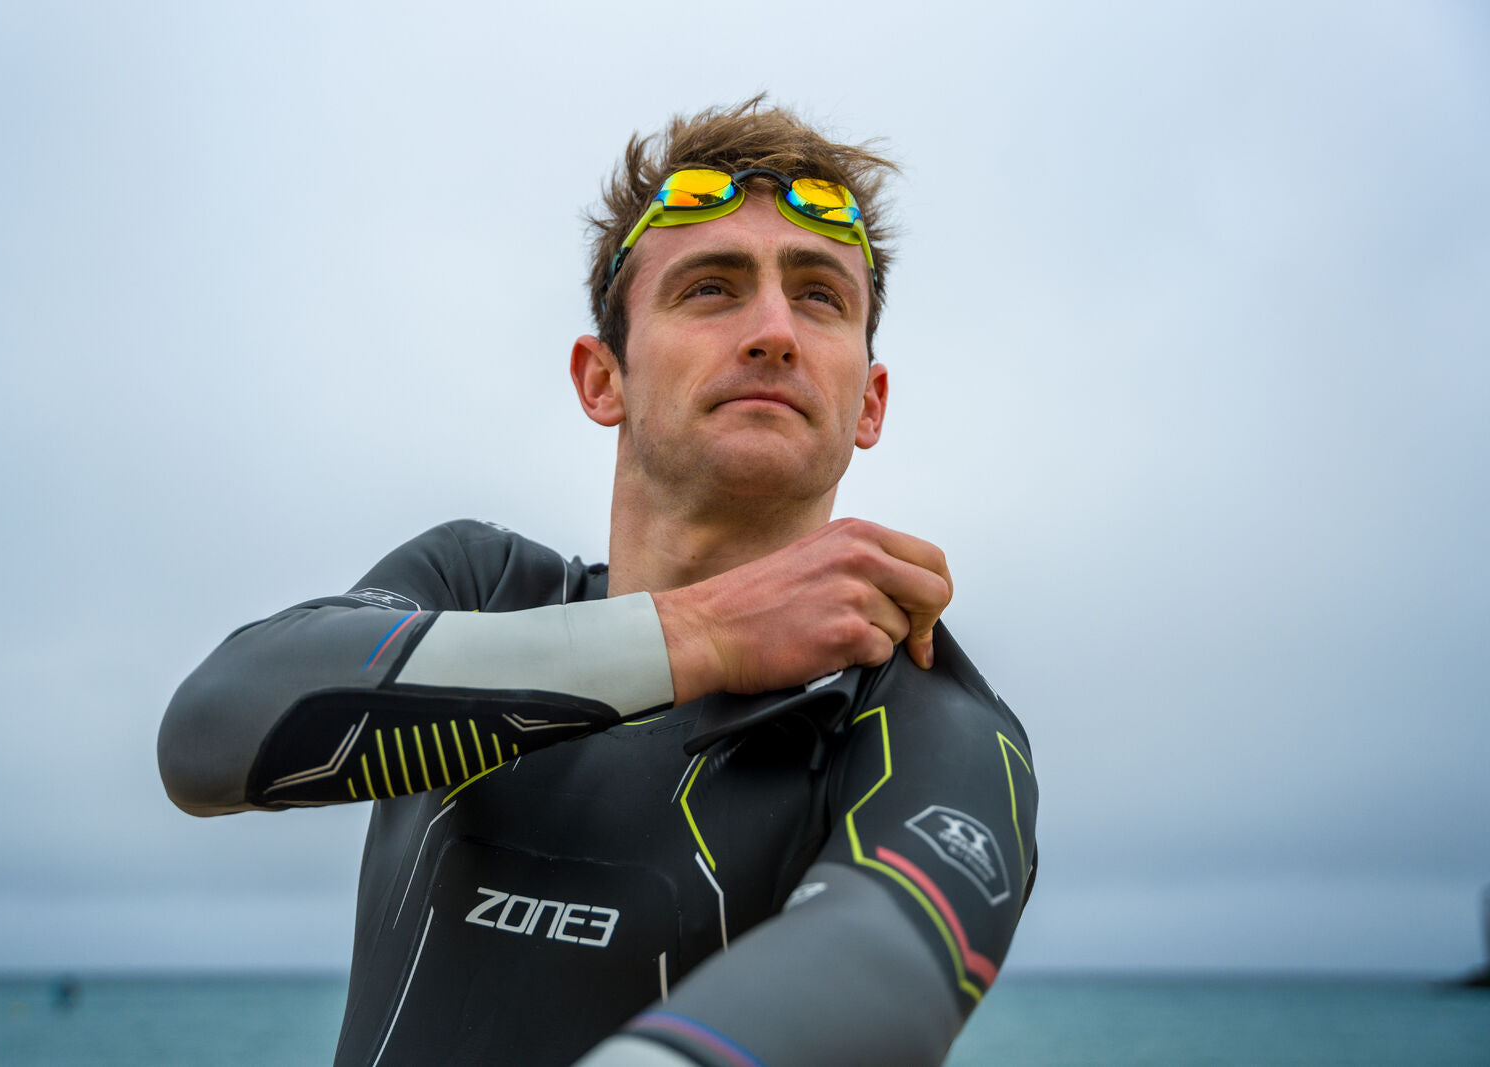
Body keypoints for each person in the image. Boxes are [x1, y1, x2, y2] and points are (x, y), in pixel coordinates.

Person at [159, 98, 1038, 1067]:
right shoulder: (481, 584)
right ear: (601, 378)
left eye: (821, 296)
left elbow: (881, 970)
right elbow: (209, 735)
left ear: (869, 402)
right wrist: (704, 634)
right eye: (711, 287)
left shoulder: (920, 716)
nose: (773, 331)